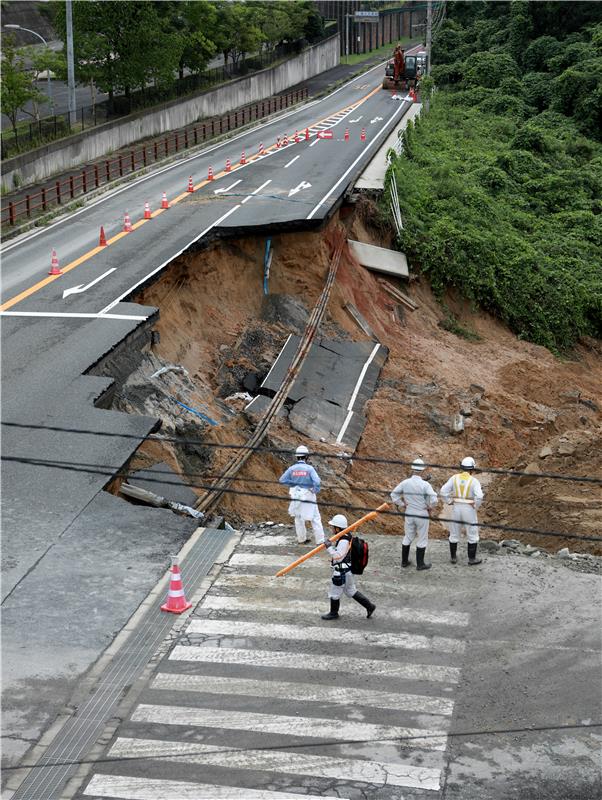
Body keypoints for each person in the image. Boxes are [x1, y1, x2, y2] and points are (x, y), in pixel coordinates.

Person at [321, 514, 375, 621]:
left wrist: (329, 548)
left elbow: (338, 557)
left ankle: (333, 613)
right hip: (347, 571)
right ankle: (370, 606)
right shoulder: (345, 536)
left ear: (337, 528)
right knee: (351, 591)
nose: (331, 529)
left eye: (333, 527)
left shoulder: (343, 540)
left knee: (334, 593)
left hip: (341, 572)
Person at [390, 458, 438, 571]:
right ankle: (420, 564)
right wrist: (430, 506)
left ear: (412, 469)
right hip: (422, 513)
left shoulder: (405, 483)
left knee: (408, 536)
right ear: (422, 470)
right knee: (422, 538)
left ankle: (404, 561)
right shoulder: (425, 485)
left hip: (409, 512)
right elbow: (434, 499)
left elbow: (394, 495)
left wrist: (402, 504)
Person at [440, 457, 484, 565]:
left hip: (456, 508)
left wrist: (449, 501)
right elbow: (479, 496)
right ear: (472, 469)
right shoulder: (474, 481)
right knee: (472, 533)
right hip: (469, 508)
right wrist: (475, 506)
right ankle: (472, 559)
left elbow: (443, 491)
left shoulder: (454, 478)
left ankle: (453, 557)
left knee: (454, 533)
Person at [279, 445, 325, 545]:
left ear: (297, 457)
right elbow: (317, 481)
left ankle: (301, 539)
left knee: (298, 518)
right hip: (308, 494)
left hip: (296, 495)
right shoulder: (309, 469)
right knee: (315, 518)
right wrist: (315, 490)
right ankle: (320, 541)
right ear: (306, 457)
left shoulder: (292, 469)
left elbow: (282, 480)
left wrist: (292, 484)